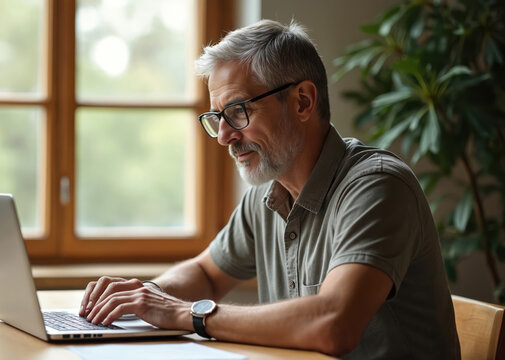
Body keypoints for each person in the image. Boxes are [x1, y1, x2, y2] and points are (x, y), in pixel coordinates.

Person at [78, 19, 461, 359]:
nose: (224, 136)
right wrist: (143, 298)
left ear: (303, 101)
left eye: (238, 111)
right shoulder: (267, 195)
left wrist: (185, 314)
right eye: (217, 118)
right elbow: (207, 274)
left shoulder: (377, 187)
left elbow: (334, 324)